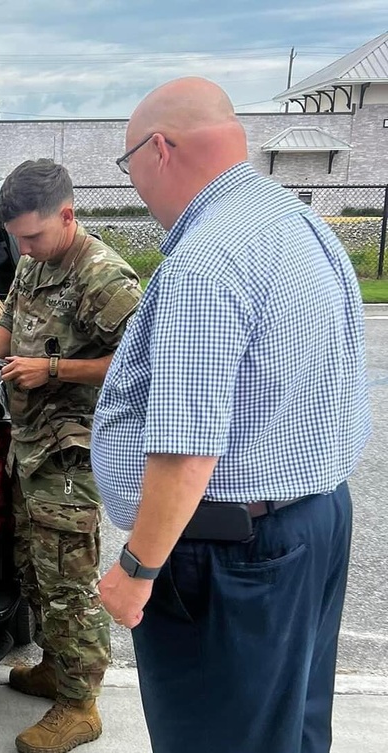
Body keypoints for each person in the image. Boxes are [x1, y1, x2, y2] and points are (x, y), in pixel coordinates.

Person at [92, 77, 372, 753]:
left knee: (215, 736)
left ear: (158, 149)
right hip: (312, 520)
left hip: (230, 551)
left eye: (128, 166)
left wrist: (135, 567)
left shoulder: (206, 258)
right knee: (288, 729)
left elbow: (187, 446)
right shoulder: (293, 219)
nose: (135, 185)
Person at [0, 159, 142, 753]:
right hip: (32, 444)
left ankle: (80, 704)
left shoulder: (104, 277)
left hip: (75, 450)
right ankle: (54, 667)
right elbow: (11, 323)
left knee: (69, 578)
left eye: (33, 235)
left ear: (69, 215)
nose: (24, 246)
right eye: (16, 236)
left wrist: (55, 369)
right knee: (35, 567)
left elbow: (142, 364)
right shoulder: (35, 263)